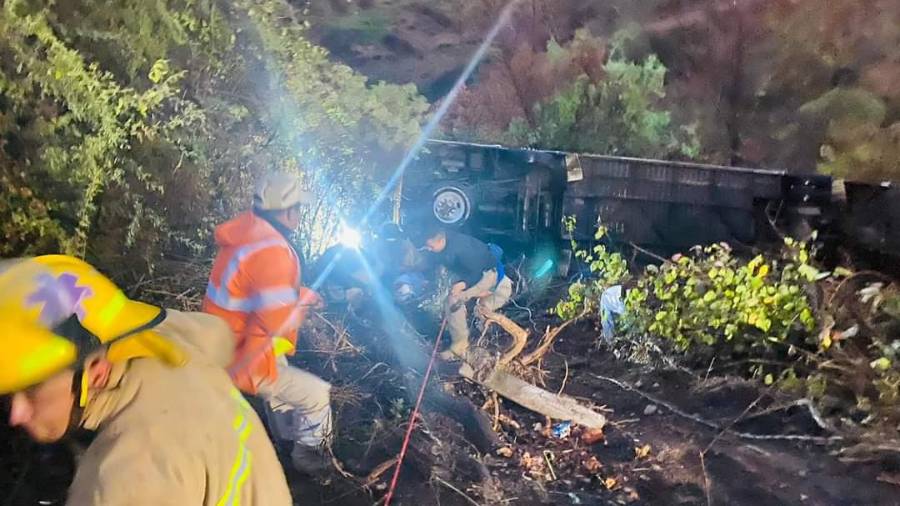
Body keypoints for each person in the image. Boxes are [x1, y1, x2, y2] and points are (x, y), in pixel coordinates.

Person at [0, 255, 292, 505]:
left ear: (98, 371)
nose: (15, 413)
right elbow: (214, 334)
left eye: (32, 388)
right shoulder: (165, 347)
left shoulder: (131, 473)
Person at [203, 171, 333, 475]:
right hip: (239, 356)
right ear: (288, 212)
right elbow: (279, 321)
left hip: (219, 340)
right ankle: (309, 463)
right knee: (317, 395)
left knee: (281, 366)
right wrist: (306, 304)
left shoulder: (247, 233)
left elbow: (259, 291)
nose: (301, 214)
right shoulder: (273, 251)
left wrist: (302, 295)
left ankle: (284, 443)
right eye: (299, 208)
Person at [419, 225, 513, 360]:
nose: (429, 249)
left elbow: (476, 272)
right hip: (477, 274)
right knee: (479, 310)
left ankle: (460, 346)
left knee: (454, 300)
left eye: (431, 246)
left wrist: (462, 285)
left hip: (487, 275)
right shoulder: (446, 245)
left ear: (440, 240)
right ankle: (481, 338)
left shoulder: (461, 248)